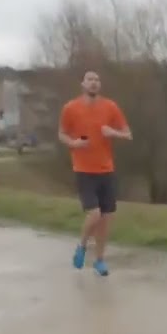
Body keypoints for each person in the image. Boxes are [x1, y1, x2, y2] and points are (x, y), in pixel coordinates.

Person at [58, 70, 132, 277]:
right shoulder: (70, 108)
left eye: (97, 80)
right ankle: (82, 246)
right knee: (95, 213)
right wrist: (73, 143)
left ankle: (100, 261)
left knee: (106, 219)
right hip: (83, 169)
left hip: (106, 169)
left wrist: (113, 133)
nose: (94, 83)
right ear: (82, 84)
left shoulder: (111, 107)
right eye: (90, 80)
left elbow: (128, 133)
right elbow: (61, 133)